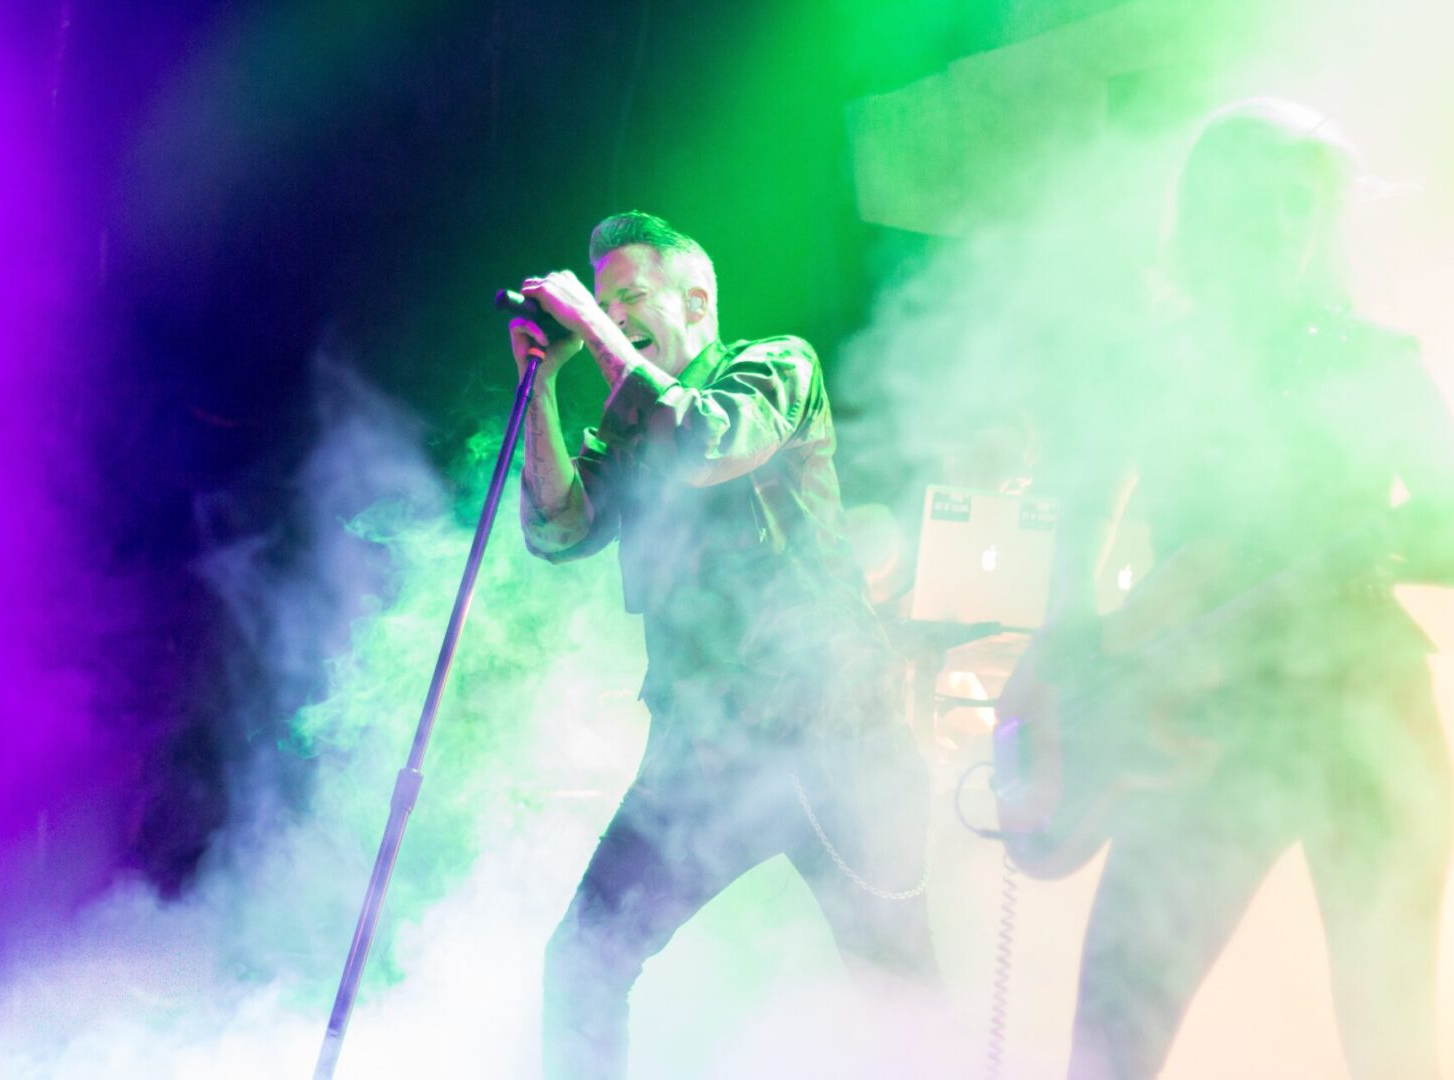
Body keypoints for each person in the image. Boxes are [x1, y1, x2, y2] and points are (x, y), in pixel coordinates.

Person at [1039, 100, 1454, 1079]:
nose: (1274, 228)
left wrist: (1356, 549)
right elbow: (1080, 517)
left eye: (1293, 208)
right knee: (1112, 1030)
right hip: (1200, 714)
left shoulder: (1374, 359)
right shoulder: (1143, 366)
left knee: (1388, 1034)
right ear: (1199, 218)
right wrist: (1073, 646)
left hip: (1367, 716)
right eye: (1246, 205)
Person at [511, 211, 940, 1079]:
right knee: (584, 957)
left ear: (697, 296)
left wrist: (593, 332)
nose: (613, 311)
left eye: (630, 293)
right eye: (602, 299)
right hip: (704, 754)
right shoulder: (628, 427)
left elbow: (707, 441)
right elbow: (558, 532)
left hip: (834, 736)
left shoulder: (774, 365)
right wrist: (543, 385)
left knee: (900, 989)